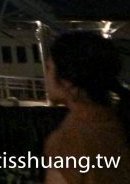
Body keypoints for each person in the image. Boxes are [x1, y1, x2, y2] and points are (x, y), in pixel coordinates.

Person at [43, 31, 130, 184]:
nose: (46, 76)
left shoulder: (68, 140)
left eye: (49, 68)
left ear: (67, 81)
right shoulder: (116, 123)